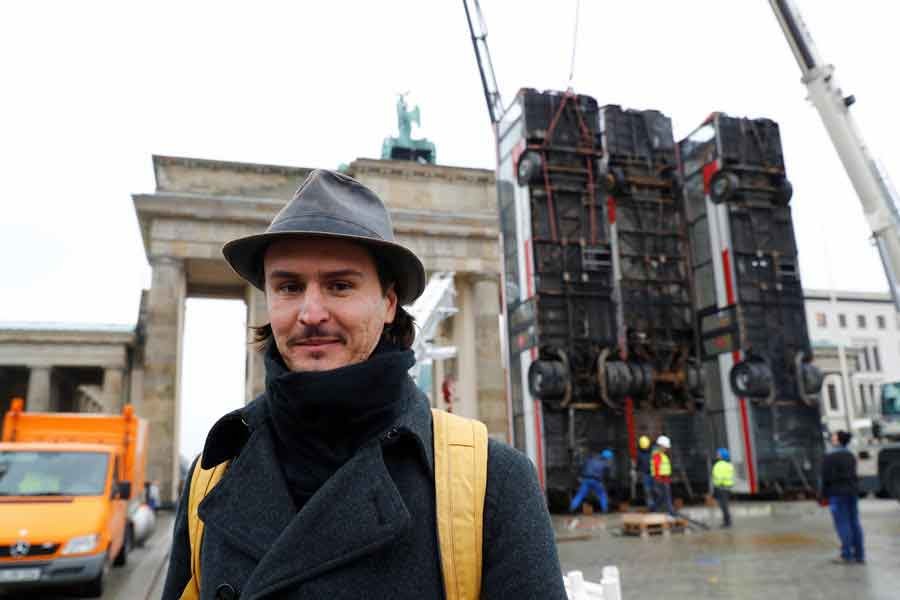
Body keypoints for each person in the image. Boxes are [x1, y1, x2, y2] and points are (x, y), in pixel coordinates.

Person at [161, 170, 567, 599]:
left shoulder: (491, 484)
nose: (311, 312)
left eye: (339, 285)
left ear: (389, 303)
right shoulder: (213, 475)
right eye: (289, 286)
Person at [821, 430, 865, 564]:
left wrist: (823, 495)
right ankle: (860, 555)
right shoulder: (850, 455)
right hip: (852, 492)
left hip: (837, 494)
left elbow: (825, 477)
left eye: (833, 437)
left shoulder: (830, 456)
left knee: (843, 524)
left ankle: (847, 555)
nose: (831, 438)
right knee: (854, 523)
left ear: (838, 440)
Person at [569, 449, 613, 514]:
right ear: (606, 457)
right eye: (609, 458)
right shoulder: (604, 463)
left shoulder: (590, 459)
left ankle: (572, 508)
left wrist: (580, 477)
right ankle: (605, 510)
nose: (609, 460)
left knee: (580, 494)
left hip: (586, 480)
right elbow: (606, 474)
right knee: (602, 494)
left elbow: (582, 467)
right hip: (596, 481)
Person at [652, 435, 675, 515]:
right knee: (664, 496)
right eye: (665, 447)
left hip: (664, 479)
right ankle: (670, 511)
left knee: (664, 496)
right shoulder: (657, 455)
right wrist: (658, 478)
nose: (666, 448)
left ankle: (655, 508)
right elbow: (656, 467)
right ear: (661, 446)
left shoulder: (663, 455)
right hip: (660, 479)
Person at [712, 447, 734, 528]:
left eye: (718, 454)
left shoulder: (719, 465)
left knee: (723, 506)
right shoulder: (729, 464)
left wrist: (716, 486)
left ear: (722, 455)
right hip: (728, 488)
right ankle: (727, 521)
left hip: (721, 488)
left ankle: (727, 522)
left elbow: (719, 477)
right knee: (725, 505)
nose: (717, 455)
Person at [636, 435, 654, 510]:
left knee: (654, 490)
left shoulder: (652, 451)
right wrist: (637, 470)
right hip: (646, 474)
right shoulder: (640, 453)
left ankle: (655, 505)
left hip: (653, 473)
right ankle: (651, 506)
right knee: (647, 491)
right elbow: (639, 463)